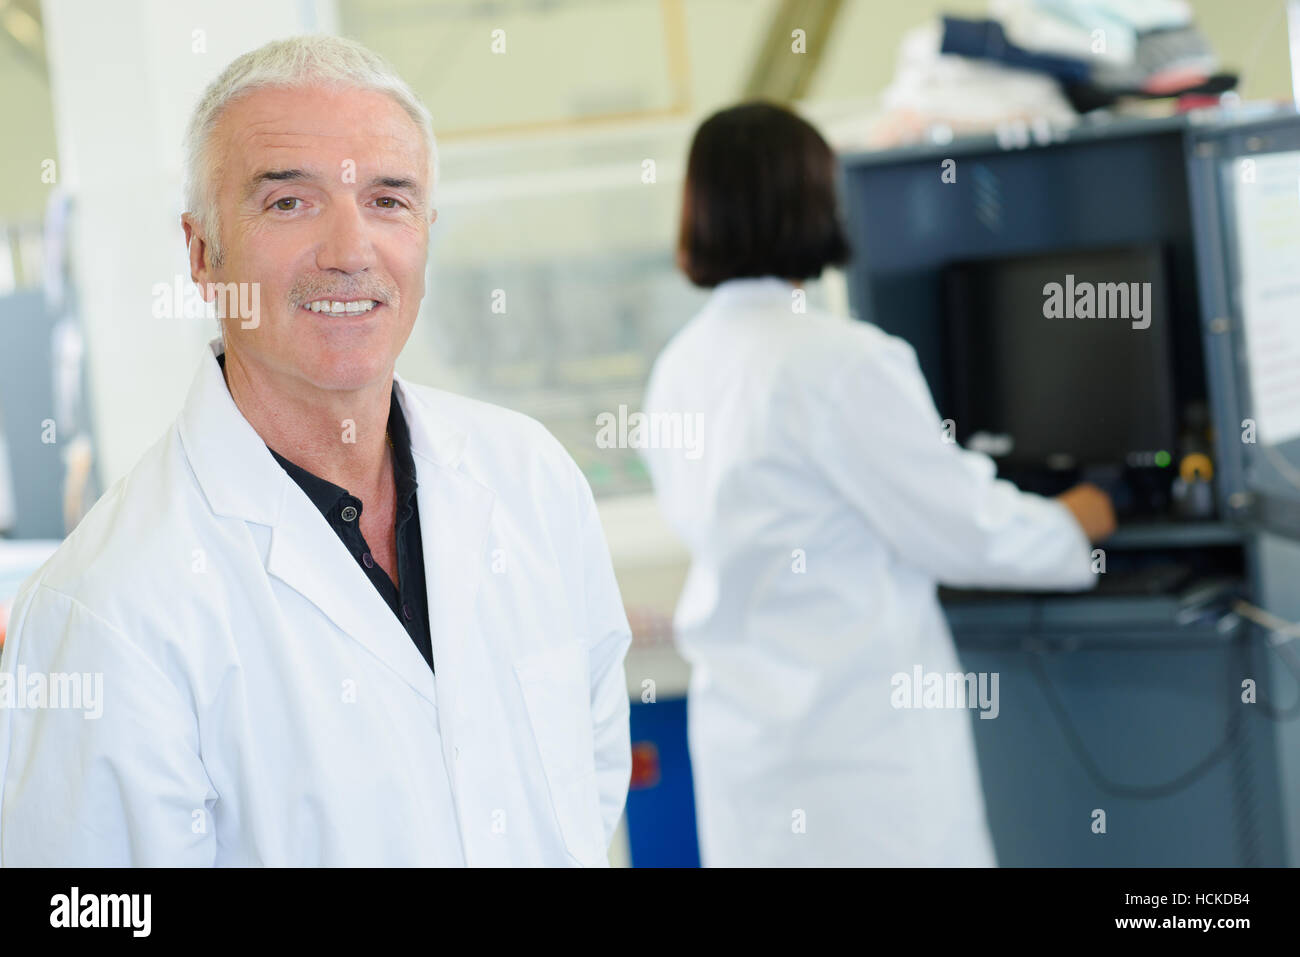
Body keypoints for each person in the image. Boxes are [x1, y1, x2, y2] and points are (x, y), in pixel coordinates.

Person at [0, 35, 631, 867]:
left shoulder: (531, 479)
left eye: (389, 199)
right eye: (289, 202)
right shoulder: (108, 607)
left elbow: (588, 780)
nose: (349, 249)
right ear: (201, 253)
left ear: (426, 235)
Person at [640, 101, 1115, 867]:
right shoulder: (840, 360)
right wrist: (1073, 522)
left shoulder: (682, 365)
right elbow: (962, 528)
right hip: (860, 761)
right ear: (815, 199)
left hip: (750, 754)